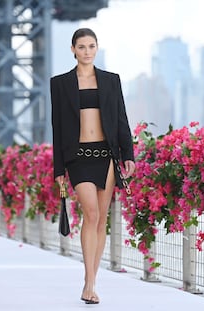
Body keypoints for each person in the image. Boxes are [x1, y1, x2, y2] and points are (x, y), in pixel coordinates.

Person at [50, 28, 135, 304]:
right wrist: (58, 169)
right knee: (91, 212)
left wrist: (128, 155)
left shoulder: (111, 81)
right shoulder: (60, 84)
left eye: (91, 46)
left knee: (100, 220)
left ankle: (93, 281)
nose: (87, 51)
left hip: (106, 155)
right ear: (73, 50)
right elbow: (58, 127)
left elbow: (121, 119)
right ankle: (88, 282)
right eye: (82, 47)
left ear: (96, 48)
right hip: (78, 157)